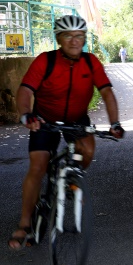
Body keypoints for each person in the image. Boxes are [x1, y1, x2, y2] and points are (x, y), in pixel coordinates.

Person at [8, 14, 124, 250]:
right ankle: (24, 223)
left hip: (77, 119)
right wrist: (26, 114)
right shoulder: (45, 61)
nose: (74, 41)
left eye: (79, 35)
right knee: (38, 166)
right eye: (68, 36)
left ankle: (70, 179)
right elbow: (25, 90)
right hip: (44, 119)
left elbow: (107, 93)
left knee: (88, 151)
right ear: (59, 38)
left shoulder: (91, 62)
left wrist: (115, 123)